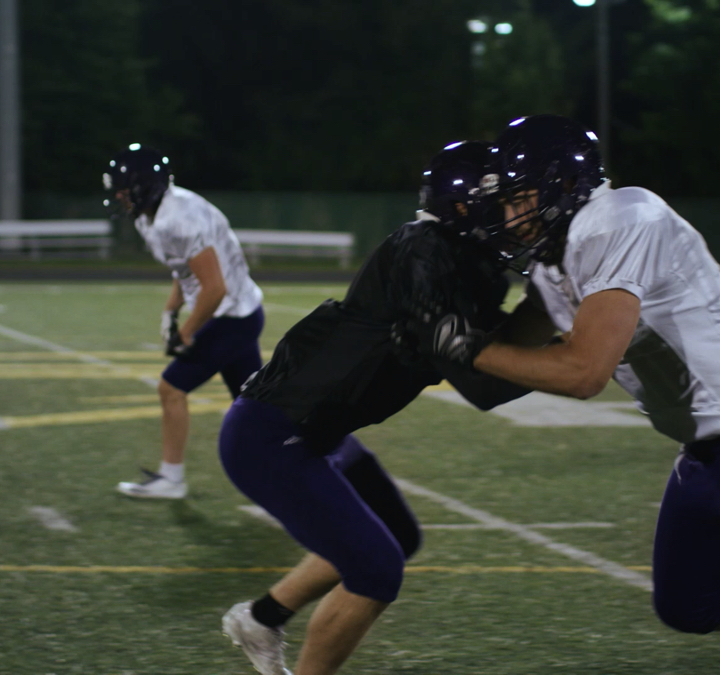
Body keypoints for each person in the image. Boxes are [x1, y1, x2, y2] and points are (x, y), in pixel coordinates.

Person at [401, 115, 720, 673]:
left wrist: (461, 344)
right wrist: (428, 334)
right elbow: (499, 370)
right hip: (708, 447)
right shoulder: (553, 261)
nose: (510, 217)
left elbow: (584, 372)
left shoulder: (621, 219)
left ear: (564, 184)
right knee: (688, 604)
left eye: (520, 198)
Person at [217, 141, 530, 675]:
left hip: (316, 432)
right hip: (272, 436)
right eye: (504, 200)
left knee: (397, 536)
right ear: (464, 205)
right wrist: (571, 354)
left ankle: (261, 619)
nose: (515, 213)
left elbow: (496, 358)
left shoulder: (464, 261)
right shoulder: (425, 251)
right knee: (377, 571)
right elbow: (482, 386)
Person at [103, 144, 265, 499]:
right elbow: (185, 269)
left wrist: (187, 333)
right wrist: (171, 310)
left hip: (232, 317)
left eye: (124, 189)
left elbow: (215, 288)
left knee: (171, 389)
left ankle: (172, 479)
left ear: (143, 187)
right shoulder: (154, 215)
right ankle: (285, 473)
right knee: (256, 409)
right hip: (238, 312)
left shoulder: (177, 219)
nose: (118, 196)